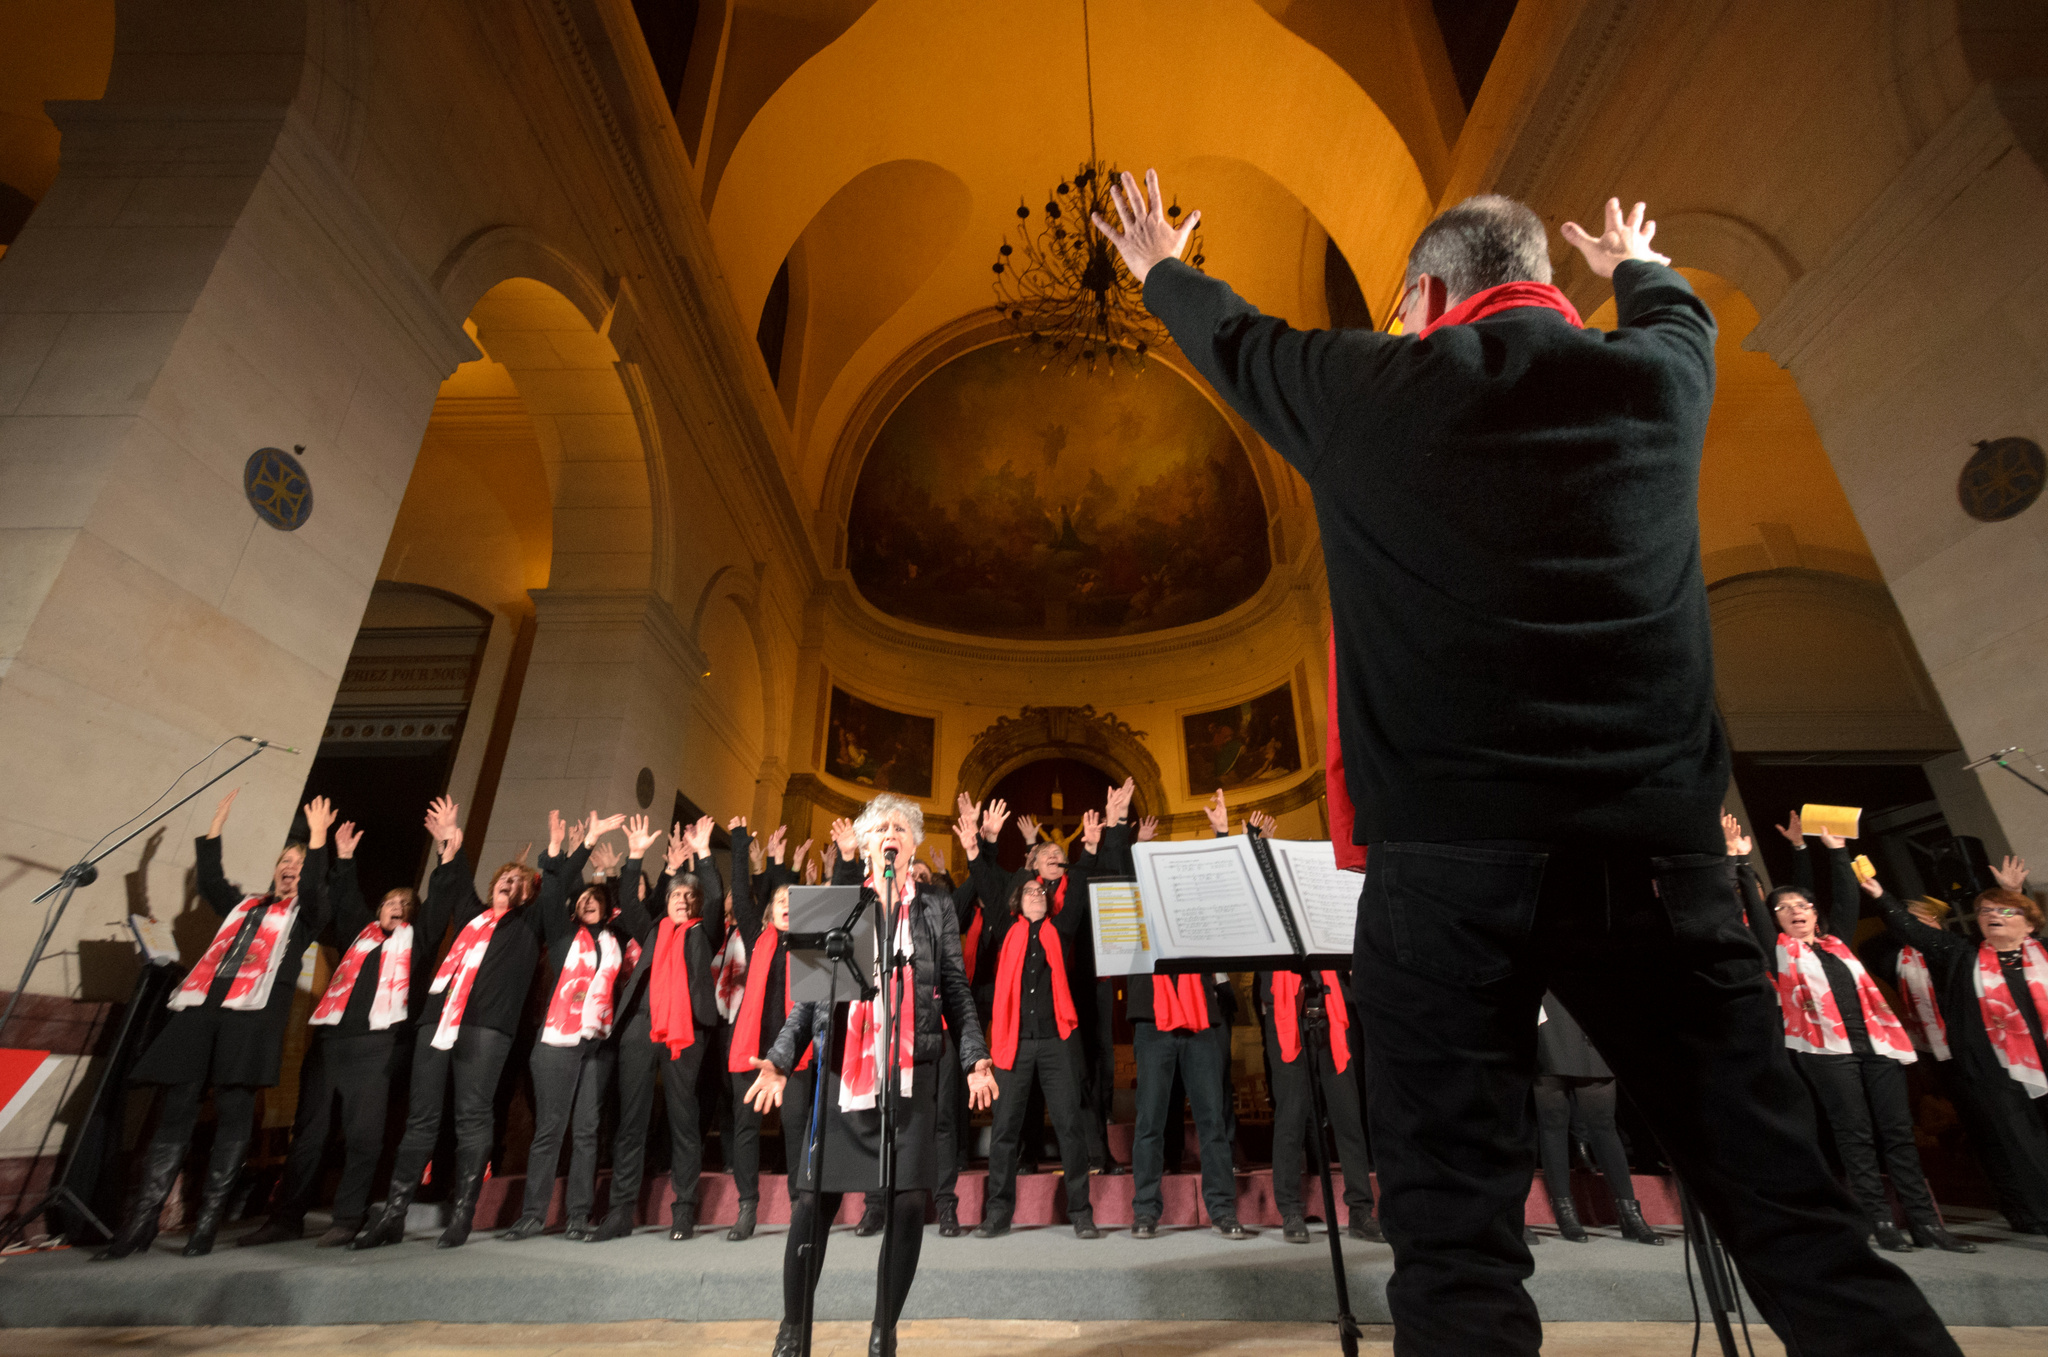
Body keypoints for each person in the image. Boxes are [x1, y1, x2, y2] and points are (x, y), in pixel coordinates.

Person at [1094, 177, 1957, 1354]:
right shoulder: (1658, 377)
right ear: (1546, 283)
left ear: (1429, 292)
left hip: (1448, 871)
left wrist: (1155, 265)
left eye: (1407, 308)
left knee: (1454, 1250)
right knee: (1795, 1218)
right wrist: (1637, 263)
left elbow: (1238, 341)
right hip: (1655, 863)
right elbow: (1673, 314)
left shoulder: (1374, 389)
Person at [743, 792, 996, 1357]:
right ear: (863, 845)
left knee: (908, 1202)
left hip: (911, 1072)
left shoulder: (936, 907)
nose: (891, 833)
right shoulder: (836, 904)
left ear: (910, 846)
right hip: (840, 1073)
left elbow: (954, 987)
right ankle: (793, 1329)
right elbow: (807, 1003)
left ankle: (884, 1330)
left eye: (901, 828)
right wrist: (781, 1060)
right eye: (880, 827)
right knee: (812, 1203)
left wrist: (975, 1056)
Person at [94, 791, 335, 1260]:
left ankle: (205, 1225)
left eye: (299, 863)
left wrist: (319, 839)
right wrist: (215, 828)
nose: (290, 866)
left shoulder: (306, 917)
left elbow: (317, 891)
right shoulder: (243, 907)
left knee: (233, 1112)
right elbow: (210, 881)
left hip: (253, 1017)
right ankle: (140, 1224)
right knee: (175, 1111)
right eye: (285, 860)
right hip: (204, 1007)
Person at [1731, 813, 1967, 1252]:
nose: (1795, 912)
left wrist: (1837, 852)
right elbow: (1757, 912)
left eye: (1802, 905)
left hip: (1879, 1044)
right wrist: (1744, 865)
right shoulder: (1775, 950)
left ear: (1816, 914)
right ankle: (1879, 1221)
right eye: (1784, 909)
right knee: (1854, 1135)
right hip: (1825, 1052)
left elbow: (1845, 896)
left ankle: (1926, 1223)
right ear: (1775, 920)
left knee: (1898, 1132)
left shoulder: (1837, 939)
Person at [350, 798, 553, 1250]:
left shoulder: (528, 925)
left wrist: (554, 854)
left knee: (472, 1116)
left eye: (518, 880)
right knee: (420, 1118)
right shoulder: (473, 917)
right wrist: (449, 843)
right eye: (504, 876)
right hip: (437, 1021)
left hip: (485, 1029)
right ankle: (395, 1214)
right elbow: (455, 882)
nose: (509, 881)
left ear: (527, 893)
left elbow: (553, 889)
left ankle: (463, 1214)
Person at [239, 815, 451, 1248]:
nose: (398, 908)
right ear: (379, 909)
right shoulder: (360, 935)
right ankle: (286, 1217)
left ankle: (348, 1216)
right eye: (392, 902)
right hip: (330, 1043)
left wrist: (446, 850)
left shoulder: (419, 942)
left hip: (379, 1048)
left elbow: (443, 900)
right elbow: (346, 894)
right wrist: (346, 857)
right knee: (309, 1136)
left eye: (407, 905)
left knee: (363, 1137)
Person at [1864, 860, 2048, 1236]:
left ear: (2030, 924)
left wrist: (2013, 894)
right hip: (1995, 1069)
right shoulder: (1961, 954)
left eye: (2004, 911)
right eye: (1984, 911)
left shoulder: (2044, 953)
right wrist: (1882, 896)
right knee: (2021, 1147)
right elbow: (1911, 929)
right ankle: (2038, 1214)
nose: (1991, 916)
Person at [498, 809, 635, 1242]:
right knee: (550, 1130)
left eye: (596, 899)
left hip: (597, 1042)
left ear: (607, 907)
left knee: (588, 1132)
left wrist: (614, 871)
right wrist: (580, 844)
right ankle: (533, 1215)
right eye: (583, 900)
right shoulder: (561, 934)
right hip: (557, 1041)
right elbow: (555, 883)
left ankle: (578, 1215)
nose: (588, 902)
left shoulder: (616, 941)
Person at [596, 814, 725, 1241]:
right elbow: (629, 904)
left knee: (683, 1121)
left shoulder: (704, 933)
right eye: (676, 896)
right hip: (641, 1028)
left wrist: (705, 854)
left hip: (686, 1030)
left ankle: (684, 1210)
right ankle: (619, 1212)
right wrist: (634, 856)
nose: (682, 901)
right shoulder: (650, 929)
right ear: (666, 901)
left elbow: (716, 899)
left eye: (690, 898)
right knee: (631, 1121)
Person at [973, 832, 1102, 1238]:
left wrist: (1091, 848)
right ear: (1017, 899)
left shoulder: (1060, 929)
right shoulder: (1005, 930)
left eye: (1039, 892)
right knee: (1006, 1130)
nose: (1034, 895)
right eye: (1028, 891)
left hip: (1055, 1043)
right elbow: (992, 885)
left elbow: (1075, 888)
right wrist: (992, 855)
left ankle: (1081, 1211)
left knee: (1068, 1126)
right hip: (1014, 1043)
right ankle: (998, 1213)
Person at [723, 820, 801, 1243]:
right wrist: (739, 842)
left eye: (793, 898)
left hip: (794, 1055)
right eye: (779, 898)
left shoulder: (812, 941)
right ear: (769, 910)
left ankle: (799, 1205)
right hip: (752, 1050)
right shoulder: (756, 935)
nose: (786, 904)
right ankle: (747, 1207)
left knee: (795, 1128)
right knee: (746, 1129)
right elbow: (739, 883)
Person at [1532, 994, 1660, 1246]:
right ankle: (1565, 1213)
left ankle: (1629, 1213)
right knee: (1553, 1122)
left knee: (1603, 1123)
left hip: (1589, 1011)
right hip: (1549, 1012)